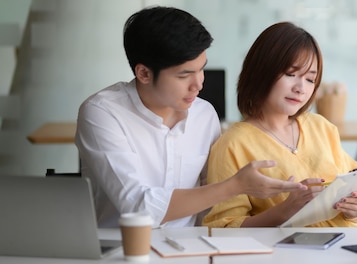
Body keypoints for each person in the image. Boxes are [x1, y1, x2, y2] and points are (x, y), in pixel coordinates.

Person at [74, 7, 305, 228]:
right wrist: (234, 186)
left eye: (201, 68)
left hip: (193, 248)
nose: (199, 84)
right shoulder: (102, 112)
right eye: (184, 75)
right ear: (143, 73)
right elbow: (138, 208)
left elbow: (213, 205)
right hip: (122, 249)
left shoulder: (204, 114)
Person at [202, 22, 357, 228]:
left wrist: (355, 208)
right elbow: (223, 229)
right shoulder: (232, 144)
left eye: (310, 79)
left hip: (346, 247)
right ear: (262, 71)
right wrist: (284, 211)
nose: (300, 88)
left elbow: (353, 191)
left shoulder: (321, 127)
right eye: (291, 74)